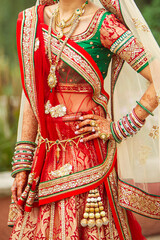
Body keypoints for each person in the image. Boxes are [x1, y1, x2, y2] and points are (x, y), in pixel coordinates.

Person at [8, 0, 160, 239]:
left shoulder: (104, 24)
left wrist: (120, 128)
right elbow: (32, 92)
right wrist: (23, 161)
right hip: (44, 159)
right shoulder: (32, 21)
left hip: (89, 159)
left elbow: (158, 76)